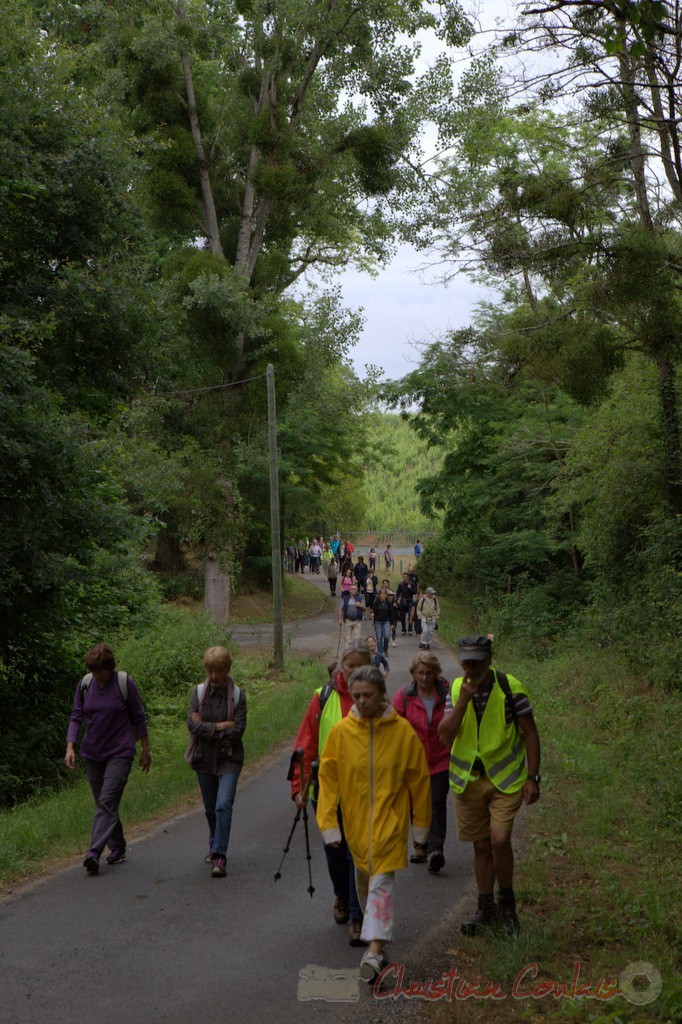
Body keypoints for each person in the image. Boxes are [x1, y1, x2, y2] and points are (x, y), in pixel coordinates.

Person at [317, 666, 431, 981]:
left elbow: (419, 780)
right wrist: (329, 824)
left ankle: (375, 952)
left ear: (382, 693)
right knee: (365, 887)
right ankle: (379, 941)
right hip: (355, 830)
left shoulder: (402, 732)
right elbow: (327, 780)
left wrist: (420, 828)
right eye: (357, 696)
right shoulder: (341, 732)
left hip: (390, 825)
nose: (362, 701)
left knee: (382, 886)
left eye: (368, 695)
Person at [438, 636, 541, 936]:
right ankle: (485, 908)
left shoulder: (511, 688)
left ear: (489, 659)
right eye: (466, 662)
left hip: (506, 778)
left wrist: (533, 778)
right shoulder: (456, 689)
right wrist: (462, 703)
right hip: (468, 780)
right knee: (481, 845)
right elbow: (445, 736)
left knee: (498, 840)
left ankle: (508, 905)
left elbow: (530, 734)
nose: (471, 668)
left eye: (477, 662)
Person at [291, 642, 373, 946]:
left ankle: (357, 915)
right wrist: (299, 787)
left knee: (357, 852)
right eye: (349, 664)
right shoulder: (322, 698)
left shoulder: (376, 699)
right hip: (326, 792)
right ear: (341, 666)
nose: (354, 670)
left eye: (361, 665)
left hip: (364, 792)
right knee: (335, 851)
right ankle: (341, 894)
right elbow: (305, 745)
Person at [65, 643, 151, 875]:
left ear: (110, 668)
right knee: (105, 803)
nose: (97, 676)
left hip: (120, 753)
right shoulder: (86, 685)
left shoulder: (124, 683)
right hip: (92, 754)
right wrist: (70, 746)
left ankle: (93, 852)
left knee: (107, 800)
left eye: (101, 672)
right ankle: (118, 846)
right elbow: (76, 715)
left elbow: (139, 716)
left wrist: (145, 750)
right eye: (94, 672)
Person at [186, 646, 247, 877]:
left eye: (218, 671)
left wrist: (207, 728)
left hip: (229, 758)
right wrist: (221, 726)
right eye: (210, 671)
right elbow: (192, 726)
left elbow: (238, 730)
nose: (213, 677)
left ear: (227, 669)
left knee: (223, 805)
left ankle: (220, 855)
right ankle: (214, 844)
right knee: (210, 808)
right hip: (203, 758)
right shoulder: (199, 693)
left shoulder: (238, 695)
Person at [393, 652, 450, 873]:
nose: (424, 678)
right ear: (413, 674)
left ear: (436, 673)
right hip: (413, 760)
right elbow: (394, 725)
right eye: (420, 673)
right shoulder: (404, 696)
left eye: (428, 673)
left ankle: (436, 849)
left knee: (436, 802)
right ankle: (421, 845)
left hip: (441, 757)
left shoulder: (446, 694)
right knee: (415, 803)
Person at [371, 587, 392, 656]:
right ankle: (380, 651)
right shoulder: (376, 603)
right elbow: (374, 612)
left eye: (384, 594)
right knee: (379, 637)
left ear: (386, 595)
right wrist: (373, 620)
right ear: (379, 595)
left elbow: (391, 613)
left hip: (386, 621)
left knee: (386, 636)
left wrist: (392, 623)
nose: (383, 595)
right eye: (381, 594)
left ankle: (385, 649)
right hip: (378, 622)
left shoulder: (388, 603)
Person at [395, 572, 417, 636]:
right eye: (403, 577)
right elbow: (398, 593)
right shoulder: (401, 584)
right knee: (402, 616)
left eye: (405, 577)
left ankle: (410, 629)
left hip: (410, 601)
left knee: (411, 615)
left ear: (408, 577)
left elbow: (415, 592)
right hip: (403, 601)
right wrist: (395, 600)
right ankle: (403, 629)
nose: (404, 578)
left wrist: (410, 588)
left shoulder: (412, 584)